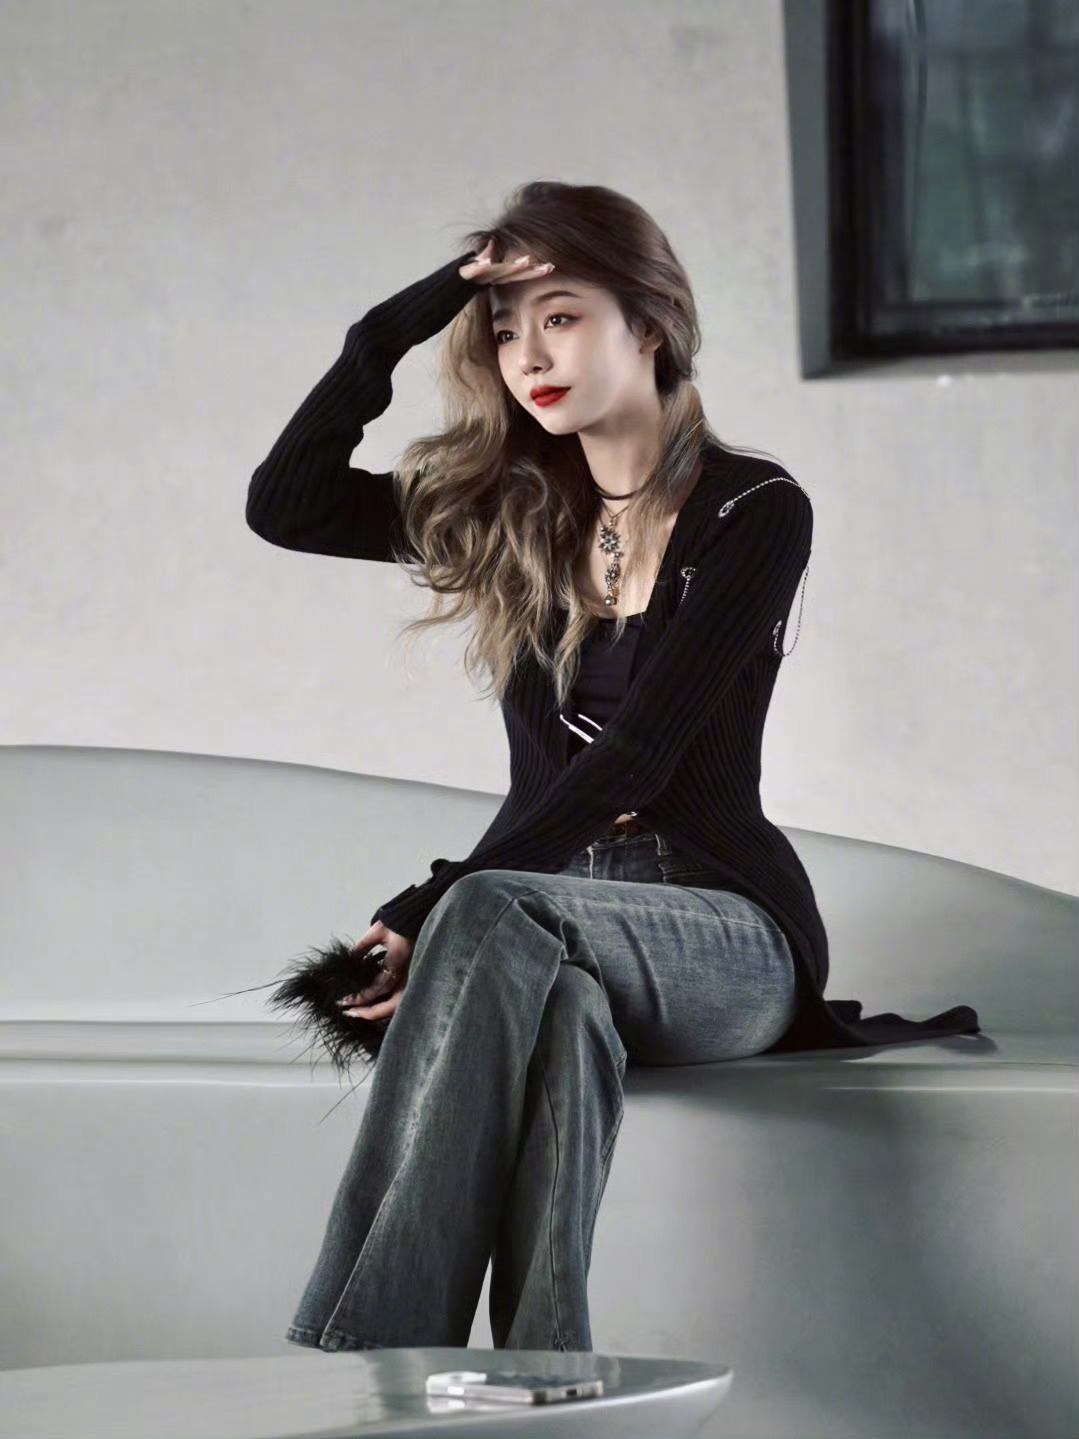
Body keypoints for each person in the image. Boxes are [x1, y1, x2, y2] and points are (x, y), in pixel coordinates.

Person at [246, 180, 979, 1354]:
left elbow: (639, 752)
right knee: (563, 1016)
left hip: (721, 929)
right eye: (505, 329)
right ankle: (546, 1379)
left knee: (493, 910)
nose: (528, 355)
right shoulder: (514, 511)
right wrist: (390, 328)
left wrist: (429, 903)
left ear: (648, 320)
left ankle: (360, 1360)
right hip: (546, 918)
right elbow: (281, 506)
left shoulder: (752, 510)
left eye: (562, 316)